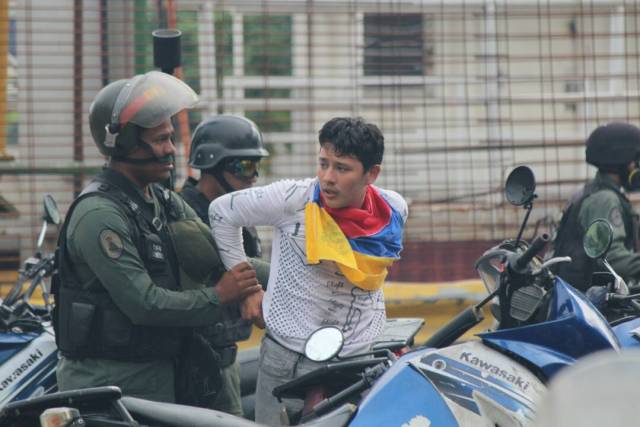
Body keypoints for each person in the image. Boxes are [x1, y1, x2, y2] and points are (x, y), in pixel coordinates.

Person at [53, 71, 261, 403]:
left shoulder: (160, 200)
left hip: (161, 378)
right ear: (124, 143)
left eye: (170, 138)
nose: (171, 149)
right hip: (112, 389)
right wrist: (219, 295)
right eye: (160, 139)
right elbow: (144, 304)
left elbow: (219, 253)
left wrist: (310, 267)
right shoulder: (100, 215)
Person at [210, 116, 409, 425]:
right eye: (323, 163)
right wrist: (249, 290)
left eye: (342, 168)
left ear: (372, 173)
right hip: (288, 358)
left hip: (356, 359)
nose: (327, 177)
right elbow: (221, 212)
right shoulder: (293, 199)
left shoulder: (394, 210)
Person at [179, 114, 270, 416]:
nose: (253, 176)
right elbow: (231, 262)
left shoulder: (236, 212)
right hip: (194, 361)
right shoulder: (188, 214)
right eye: (244, 166)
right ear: (213, 164)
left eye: (256, 165)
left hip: (224, 352)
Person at [553, 122, 640, 292]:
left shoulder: (591, 193)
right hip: (594, 304)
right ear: (622, 159)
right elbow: (612, 259)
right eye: (636, 160)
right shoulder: (604, 200)